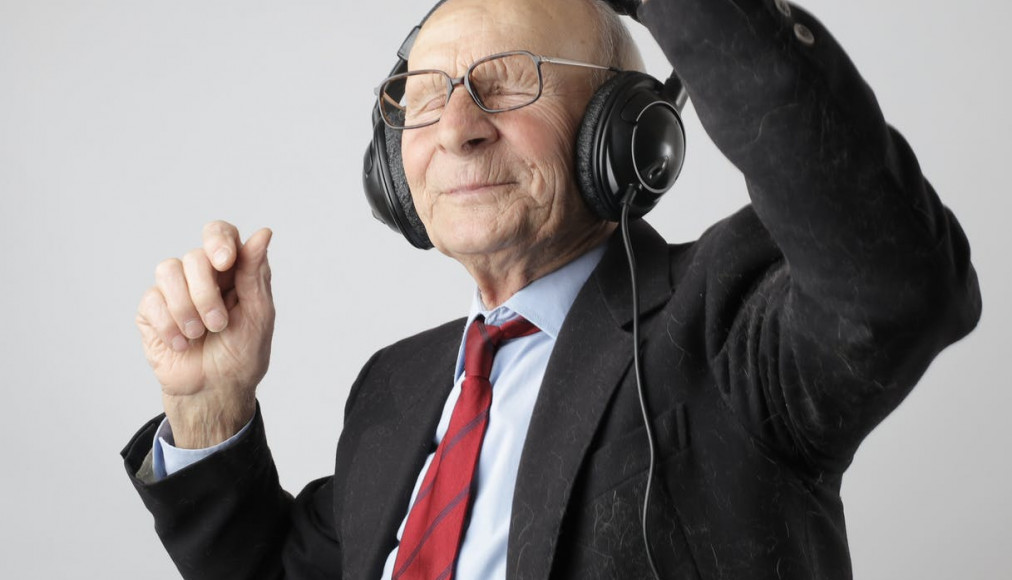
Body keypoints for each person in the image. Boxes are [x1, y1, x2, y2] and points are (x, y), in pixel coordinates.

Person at [122, 0, 981, 578]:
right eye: (423, 97)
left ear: (630, 136)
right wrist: (208, 413)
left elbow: (895, 284)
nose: (456, 128)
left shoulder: (726, 320)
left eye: (507, 80)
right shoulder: (394, 389)